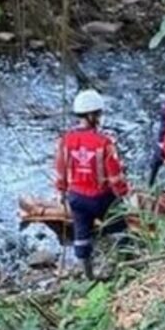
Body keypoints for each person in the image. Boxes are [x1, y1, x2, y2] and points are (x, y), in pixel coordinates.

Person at [54, 89, 131, 279]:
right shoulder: (105, 142)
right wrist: (124, 194)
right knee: (121, 229)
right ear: (92, 115)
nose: (100, 117)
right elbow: (115, 177)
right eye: (99, 114)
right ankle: (127, 266)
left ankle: (88, 276)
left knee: (81, 235)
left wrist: (61, 192)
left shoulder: (66, 140)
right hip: (102, 198)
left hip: (76, 198)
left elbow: (60, 169)